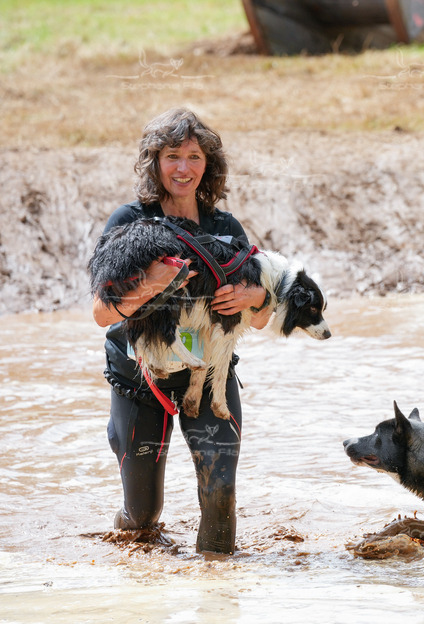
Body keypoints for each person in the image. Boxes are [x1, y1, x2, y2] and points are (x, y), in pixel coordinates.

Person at [92, 108, 272, 553]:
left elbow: (265, 317)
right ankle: (130, 537)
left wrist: (253, 299)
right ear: (155, 162)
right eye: (172, 156)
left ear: (208, 164)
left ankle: (216, 599)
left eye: (194, 157)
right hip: (139, 381)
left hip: (208, 375)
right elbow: (101, 312)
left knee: (220, 495)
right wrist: (152, 285)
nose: (183, 168)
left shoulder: (225, 228)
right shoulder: (130, 222)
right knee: (143, 515)